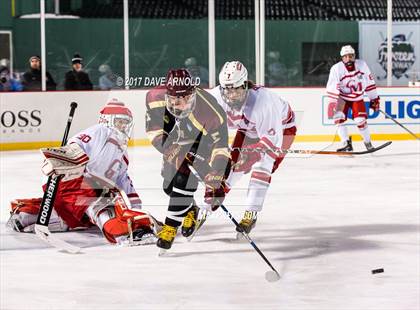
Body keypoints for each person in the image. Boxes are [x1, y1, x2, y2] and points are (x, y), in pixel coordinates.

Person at [7, 99, 158, 246]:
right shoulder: (101, 131)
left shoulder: (123, 154)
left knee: (75, 218)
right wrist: (62, 159)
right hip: (72, 180)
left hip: (80, 188)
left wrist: (135, 210)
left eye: (126, 123)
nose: (123, 126)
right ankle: (125, 234)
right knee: (103, 207)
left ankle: (24, 215)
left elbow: (124, 182)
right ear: (107, 120)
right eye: (120, 121)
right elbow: (76, 146)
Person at [208, 61, 297, 235]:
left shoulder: (264, 102)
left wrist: (249, 153)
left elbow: (271, 140)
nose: (231, 95)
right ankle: (208, 204)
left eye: (235, 89)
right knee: (231, 167)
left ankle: (251, 212)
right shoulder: (216, 97)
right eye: (227, 89)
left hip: (282, 129)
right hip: (249, 129)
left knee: (262, 167)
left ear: (245, 85)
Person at [145, 68, 230, 251]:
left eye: (185, 98)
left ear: (194, 93)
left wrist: (217, 173)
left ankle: (170, 228)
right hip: (174, 141)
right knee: (169, 186)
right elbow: (154, 130)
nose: (181, 104)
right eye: (175, 99)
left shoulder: (211, 111)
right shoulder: (154, 98)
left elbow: (221, 147)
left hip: (201, 143)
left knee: (184, 179)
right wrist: (167, 148)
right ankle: (191, 208)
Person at [326, 45, 380, 151]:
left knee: (360, 120)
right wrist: (333, 102)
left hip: (357, 97)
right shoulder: (336, 69)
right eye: (346, 56)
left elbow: (369, 83)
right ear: (342, 58)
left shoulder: (362, 65)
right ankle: (346, 143)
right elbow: (332, 86)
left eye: (350, 56)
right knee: (338, 118)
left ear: (354, 56)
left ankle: (368, 143)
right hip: (342, 98)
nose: (348, 59)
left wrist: (374, 98)